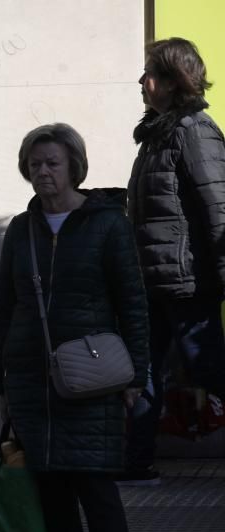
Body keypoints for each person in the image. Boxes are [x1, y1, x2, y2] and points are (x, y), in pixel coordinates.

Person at [0, 123, 149, 532]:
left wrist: (136, 377)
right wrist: (2, 382)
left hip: (92, 379)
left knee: (97, 494)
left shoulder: (107, 225)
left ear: (74, 167)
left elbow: (134, 304)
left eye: (52, 162)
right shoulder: (21, 229)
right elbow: (5, 308)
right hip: (33, 383)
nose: (43, 171)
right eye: (35, 163)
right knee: (52, 496)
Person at [124, 37, 225, 485]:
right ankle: (135, 462)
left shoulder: (193, 130)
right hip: (154, 281)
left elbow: (218, 206)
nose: (142, 82)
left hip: (189, 282)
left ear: (172, 80)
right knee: (142, 369)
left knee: (209, 368)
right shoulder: (157, 134)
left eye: (150, 73)